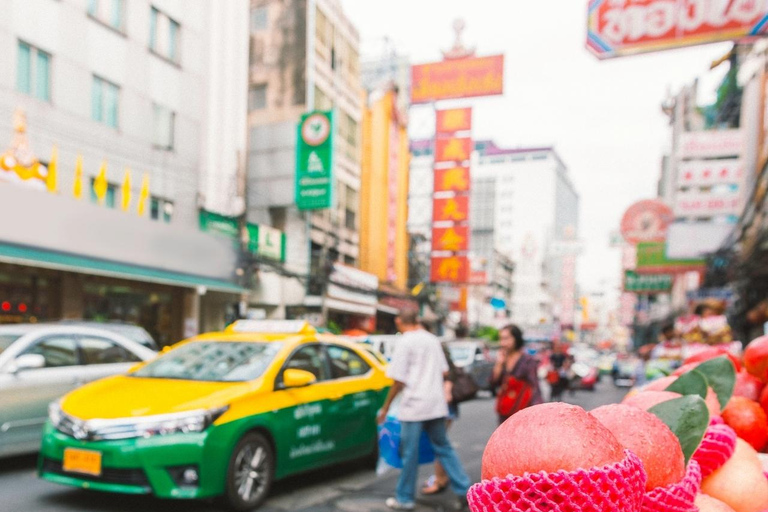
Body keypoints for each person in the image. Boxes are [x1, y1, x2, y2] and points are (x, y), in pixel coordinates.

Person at [377, 311, 471, 511]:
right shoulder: (432, 340)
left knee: (409, 453)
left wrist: (385, 407)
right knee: (444, 448)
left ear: (399, 322)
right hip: (435, 404)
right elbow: (444, 371)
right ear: (417, 321)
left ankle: (404, 499)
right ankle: (464, 490)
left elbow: (398, 380)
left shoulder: (405, 341)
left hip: (414, 406)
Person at [420, 344, 460, 496]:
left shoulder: (443, 370)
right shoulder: (446, 364)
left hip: (443, 409)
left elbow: (447, 391)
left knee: (440, 445)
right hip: (446, 409)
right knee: (441, 444)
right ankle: (441, 478)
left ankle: (441, 480)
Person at [491, 324, 543, 424]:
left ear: (516, 338)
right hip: (506, 410)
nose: (502, 343)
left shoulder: (527, 360)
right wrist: (499, 364)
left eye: (506, 338)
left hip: (523, 411)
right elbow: (493, 382)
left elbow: (534, 386)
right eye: (501, 339)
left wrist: (538, 410)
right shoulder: (502, 359)